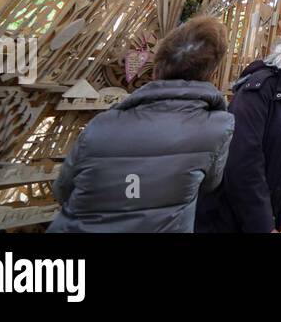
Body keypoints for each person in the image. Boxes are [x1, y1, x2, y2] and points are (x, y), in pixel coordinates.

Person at [49, 16, 234, 232]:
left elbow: (62, 190)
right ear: (210, 74)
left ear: (156, 70)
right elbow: (209, 184)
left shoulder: (102, 125)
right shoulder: (216, 128)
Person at [196, 30, 281, 233]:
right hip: (229, 217)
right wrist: (262, 225)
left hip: (263, 214)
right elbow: (244, 161)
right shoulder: (259, 89)